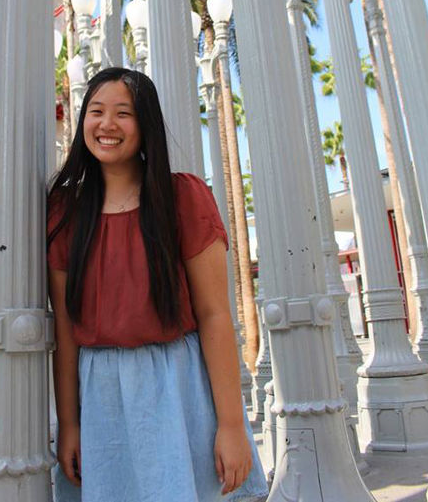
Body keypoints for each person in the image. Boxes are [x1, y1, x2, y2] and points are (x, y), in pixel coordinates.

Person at [47, 67, 268, 502]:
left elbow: (214, 315)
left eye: (123, 113)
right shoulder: (65, 211)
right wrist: (69, 424)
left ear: (145, 123)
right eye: (96, 111)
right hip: (102, 400)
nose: (107, 124)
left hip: (179, 391)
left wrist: (231, 425)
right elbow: (65, 329)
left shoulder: (183, 197)